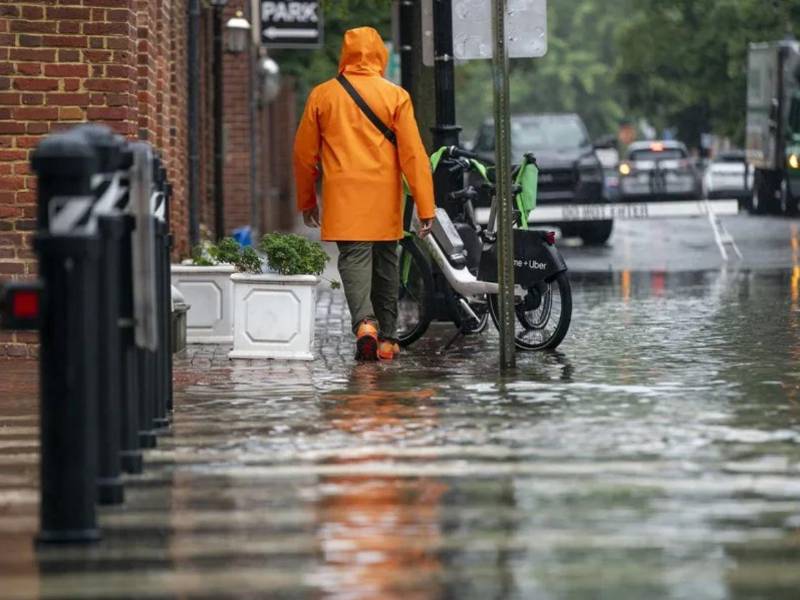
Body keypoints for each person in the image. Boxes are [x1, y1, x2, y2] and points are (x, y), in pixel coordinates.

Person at [293, 27, 435, 361]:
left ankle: (365, 325)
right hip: (384, 195)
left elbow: (303, 155)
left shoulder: (323, 95)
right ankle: (387, 340)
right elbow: (414, 154)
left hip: (344, 194)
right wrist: (426, 206)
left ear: (345, 54)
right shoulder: (395, 95)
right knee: (386, 260)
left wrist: (307, 201)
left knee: (354, 258)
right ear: (379, 55)